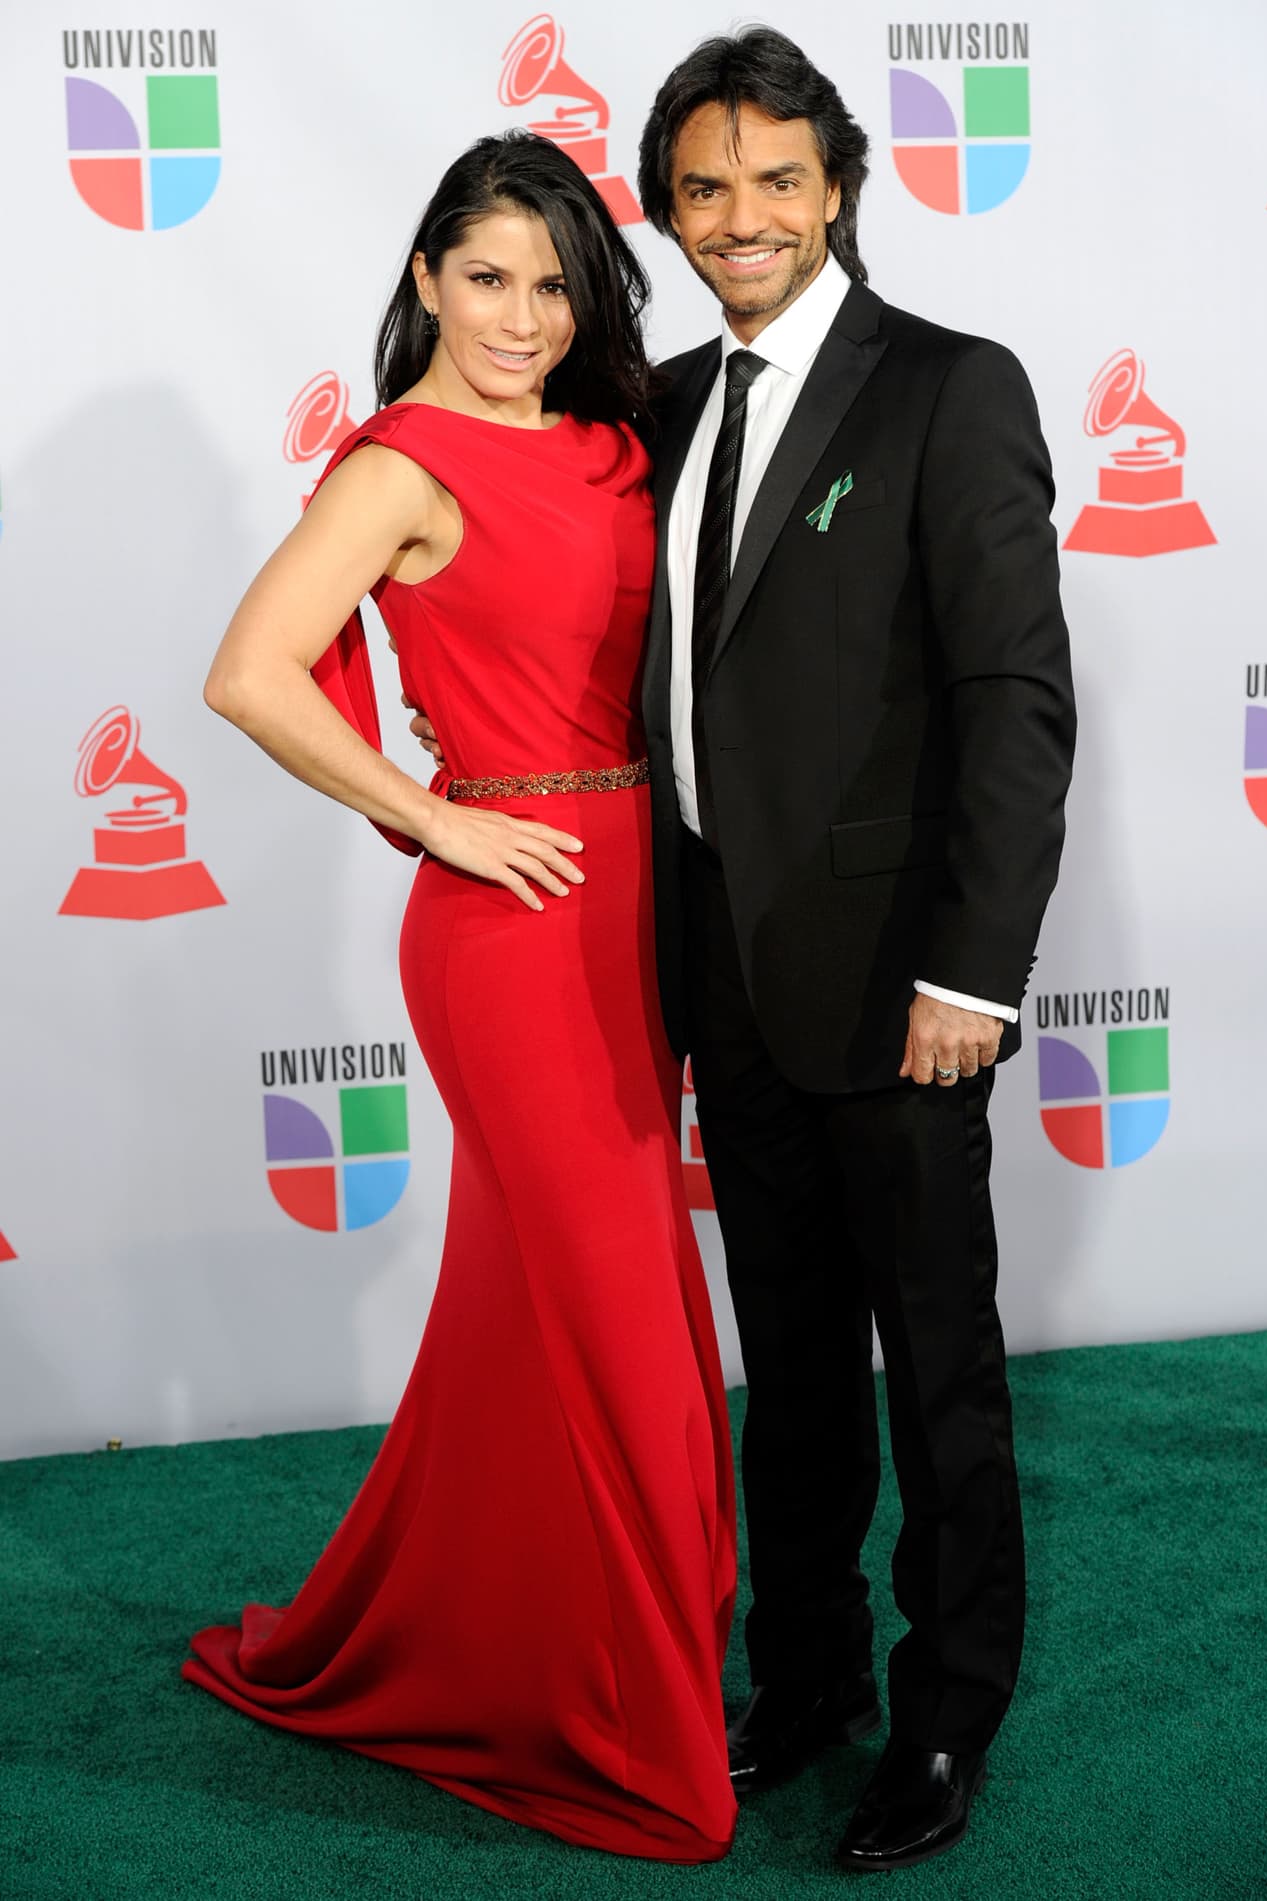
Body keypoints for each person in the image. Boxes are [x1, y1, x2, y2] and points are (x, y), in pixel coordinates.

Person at [417, 28, 1076, 1874]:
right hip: (715, 979)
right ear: (670, 209)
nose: (741, 217)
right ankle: (805, 1679)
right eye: (703, 188)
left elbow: (1017, 698)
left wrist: (977, 971)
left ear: (841, 185)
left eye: (777, 179)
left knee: (935, 1369)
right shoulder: (669, 403)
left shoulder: (953, 387)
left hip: (901, 990)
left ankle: (944, 1718)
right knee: (787, 1362)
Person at [181, 132, 737, 1865]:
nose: (520, 315)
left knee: (571, 1306)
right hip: (509, 930)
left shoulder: (611, 443)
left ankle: (505, 1636)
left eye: (556, 283)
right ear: (425, 276)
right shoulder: (401, 466)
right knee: (622, 1331)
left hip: (648, 899)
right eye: (486, 277)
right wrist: (435, 816)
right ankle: (644, 1742)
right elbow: (249, 672)